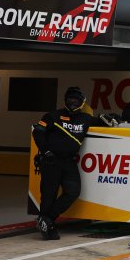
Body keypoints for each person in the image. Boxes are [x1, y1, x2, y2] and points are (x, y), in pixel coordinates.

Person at [31, 87, 106, 240]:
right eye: (70, 99)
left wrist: (112, 118)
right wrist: (45, 150)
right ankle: (48, 227)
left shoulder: (86, 118)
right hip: (51, 161)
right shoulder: (52, 116)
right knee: (48, 195)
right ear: (65, 100)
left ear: (82, 102)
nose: (72, 102)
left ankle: (47, 219)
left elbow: (103, 121)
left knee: (73, 192)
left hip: (69, 162)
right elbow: (37, 132)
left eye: (76, 100)